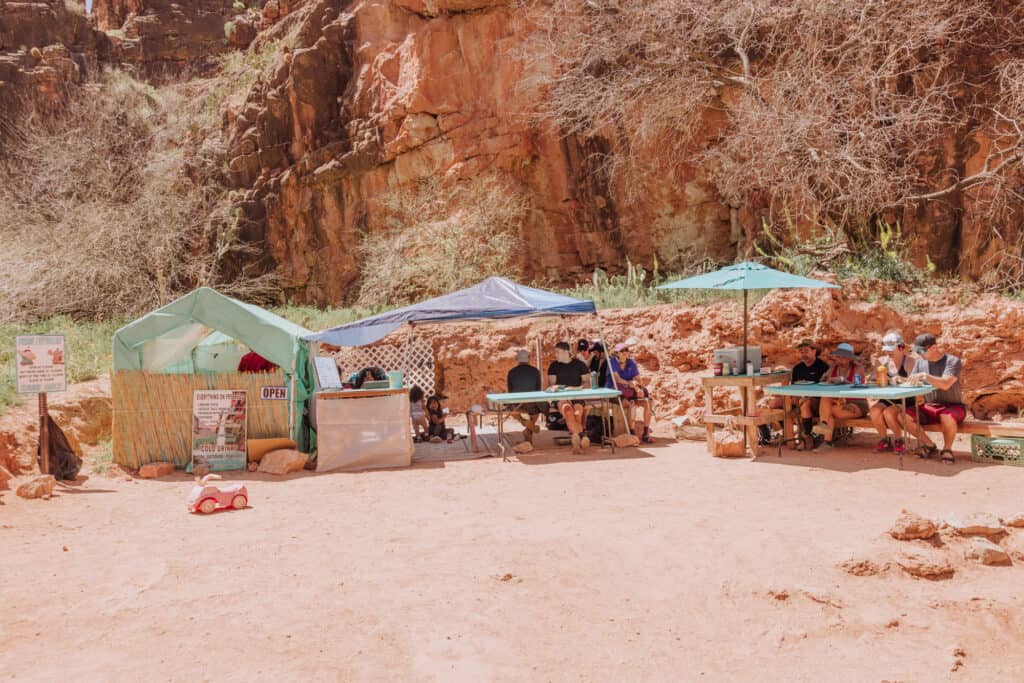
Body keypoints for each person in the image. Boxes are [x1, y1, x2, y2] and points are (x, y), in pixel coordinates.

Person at [884, 333, 965, 463]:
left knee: (946, 416)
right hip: (928, 406)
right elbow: (913, 381)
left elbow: (945, 384)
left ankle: (947, 449)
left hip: (953, 406)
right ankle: (929, 445)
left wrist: (925, 376)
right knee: (902, 416)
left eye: (921, 351)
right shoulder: (920, 362)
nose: (919, 354)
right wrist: (900, 380)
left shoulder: (952, 361)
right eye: (917, 351)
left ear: (933, 348)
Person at [760, 339, 830, 449]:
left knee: (804, 403)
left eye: (806, 351)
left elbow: (826, 387)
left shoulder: (823, 366)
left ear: (814, 351)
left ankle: (807, 437)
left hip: (817, 401)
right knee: (774, 403)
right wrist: (792, 398)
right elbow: (793, 387)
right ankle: (787, 433)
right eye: (801, 352)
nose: (803, 355)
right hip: (799, 397)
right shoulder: (798, 368)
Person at [868, 331, 917, 452]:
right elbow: (871, 380)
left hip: (906, 399)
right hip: (887, 397)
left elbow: (914, 382)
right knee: (874, 411)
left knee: (889, 412)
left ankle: (899, 440)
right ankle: (884, 440)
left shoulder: (909, 361)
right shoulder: (881, 361)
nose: (888, 352)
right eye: (886, 349)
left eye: (891, 349)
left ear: (901, 347)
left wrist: (901, 379)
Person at [813, 342, 868, 448]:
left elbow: (857, 384)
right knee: (825, 401)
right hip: (840, 402)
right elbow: (824, 379)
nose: (839, 360)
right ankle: (827, 441)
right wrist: (825, 378)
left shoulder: (858, 368)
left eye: (843, 357)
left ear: (849, 358)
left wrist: (843, 380)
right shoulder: (833, 367)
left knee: (828, 411)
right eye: (838, 357)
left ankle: (823, 433)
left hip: (856, 404)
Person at [547, 341, 591, 453]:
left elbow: (587, 383)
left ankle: (576, 440)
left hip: (577, 396)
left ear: (566, 352)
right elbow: (552, 385)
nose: (555, 355)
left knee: (577, 412)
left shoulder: (580, 365)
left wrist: (574, 389)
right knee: (567, 410)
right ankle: (580, 437)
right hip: (561, 397)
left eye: (557, 352)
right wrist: (562, 389)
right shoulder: (554, 366)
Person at [607, 343, 653, 443]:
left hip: (630, 390)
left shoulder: (631, 362)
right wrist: (630, 384)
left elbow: (638, 379)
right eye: (622, 351)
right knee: (631, 402)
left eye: (626, 350)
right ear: (617, 353)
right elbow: (617, 379)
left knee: (648, 402)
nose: (624, 353)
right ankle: (632, 433)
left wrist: (635, 385)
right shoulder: (612, 362)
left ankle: (645, 432)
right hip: (614, 390)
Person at [507, 349, 545, 441]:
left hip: (516, 404)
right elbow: (538, 390)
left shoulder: (511, 372)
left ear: (517, 359)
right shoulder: (535, 371)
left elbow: (510, 391)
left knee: (510, 409)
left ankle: (523, 422)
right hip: (532, 404)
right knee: (538, 409)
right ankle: (529, 430)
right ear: (528, 359)